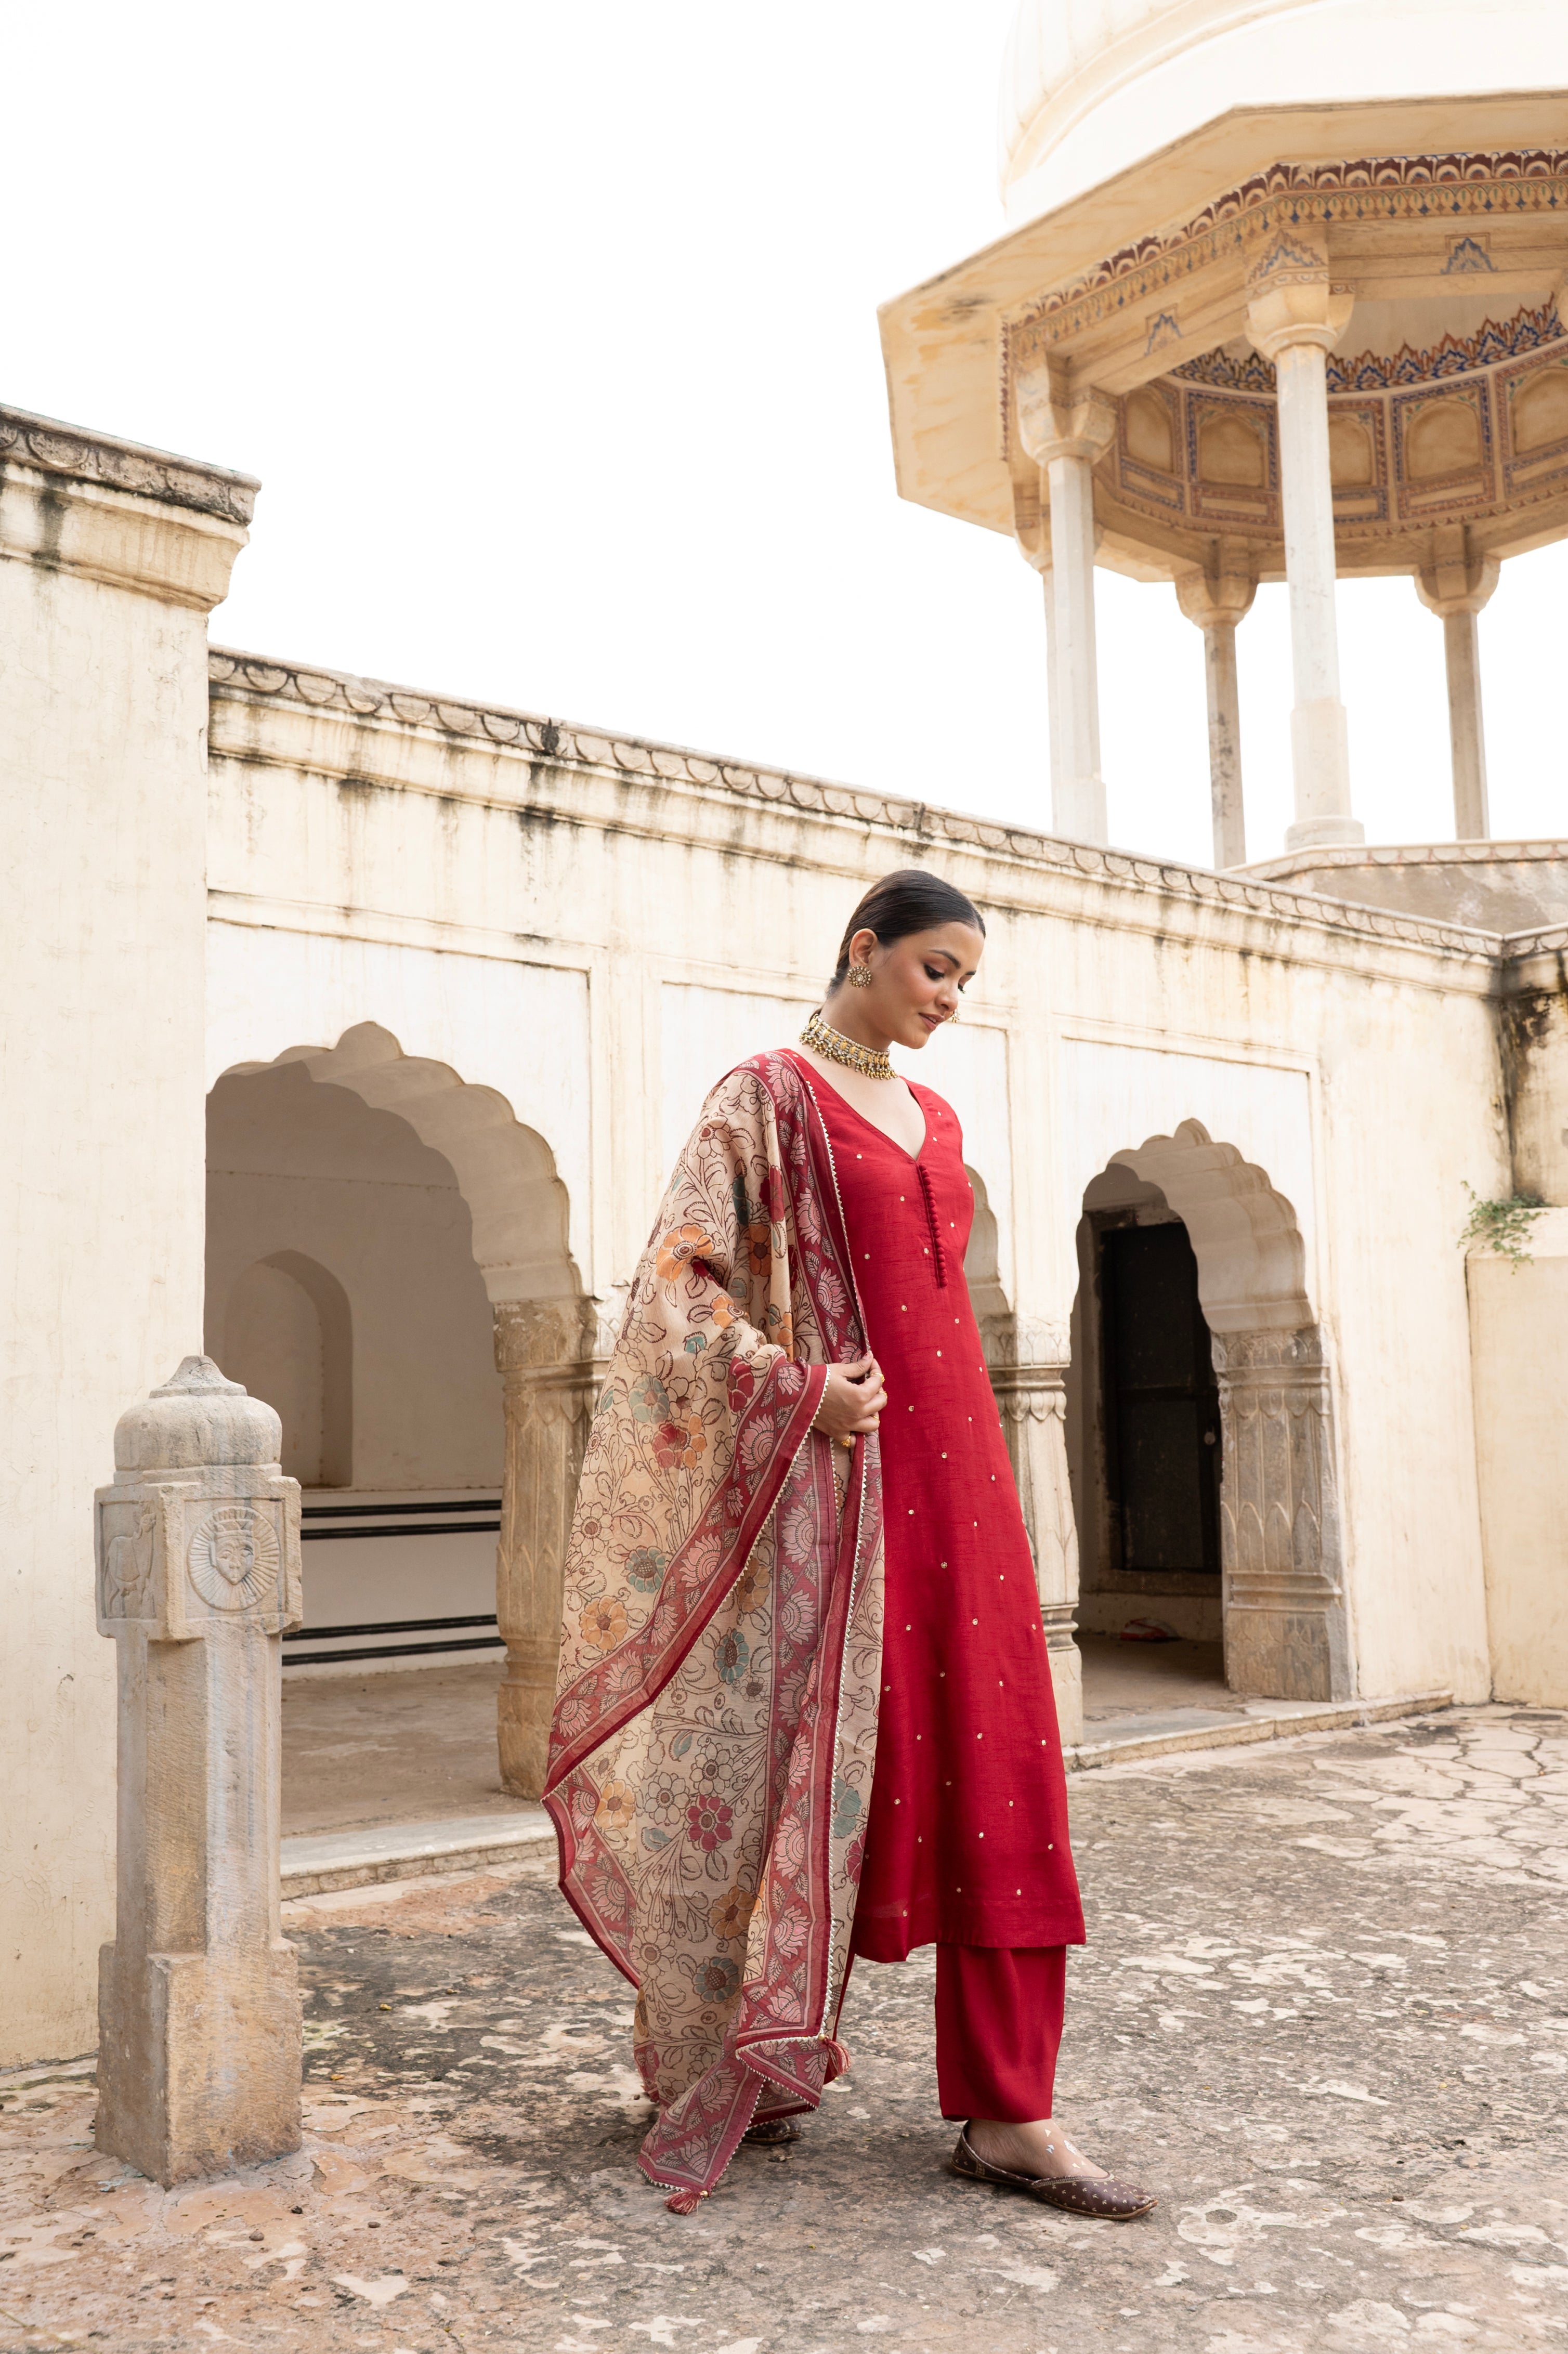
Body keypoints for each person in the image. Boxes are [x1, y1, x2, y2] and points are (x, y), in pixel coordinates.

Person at [544, 868, 1155, 2219]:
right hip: (836, 1493)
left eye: (968, 981)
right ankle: (740, 2054)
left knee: (1006, 1772)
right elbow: (676, 1286)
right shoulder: (766, 1097)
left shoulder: (937, 1118)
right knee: (783, 1762)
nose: (953, 999)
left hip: (967, 1479)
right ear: (865, 951)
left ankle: (1011, 2112)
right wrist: (795, 1388)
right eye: (938, 969)